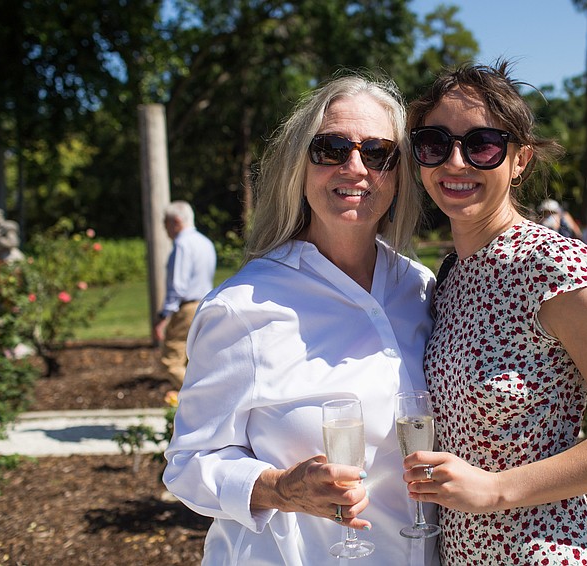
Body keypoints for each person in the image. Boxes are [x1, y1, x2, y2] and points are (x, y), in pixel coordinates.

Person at [403, 61, 587, 565]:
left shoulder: (551, 263)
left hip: (544, 550)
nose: (456, 162)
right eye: (434, 143)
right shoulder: (449, 278)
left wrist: (497, 489)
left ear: (520, 160)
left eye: (482, 144)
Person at [163, 74, 439, 565]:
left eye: (378, 153)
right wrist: (279, 489)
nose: (355, 167)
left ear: (398, 174)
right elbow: (188, 465)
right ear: (299, 164)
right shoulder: (244, 306)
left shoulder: (420, 289)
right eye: (331, 148)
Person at [154, 201, 217, 387]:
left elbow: (178, 285)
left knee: (171, 361)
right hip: (207, 304)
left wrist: (163, 315)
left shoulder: (182, 245)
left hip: (187, 308)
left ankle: (201, 400)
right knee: (195, 362)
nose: (165, 230)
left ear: (176, 221)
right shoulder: (206, 242)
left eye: (165, 223)